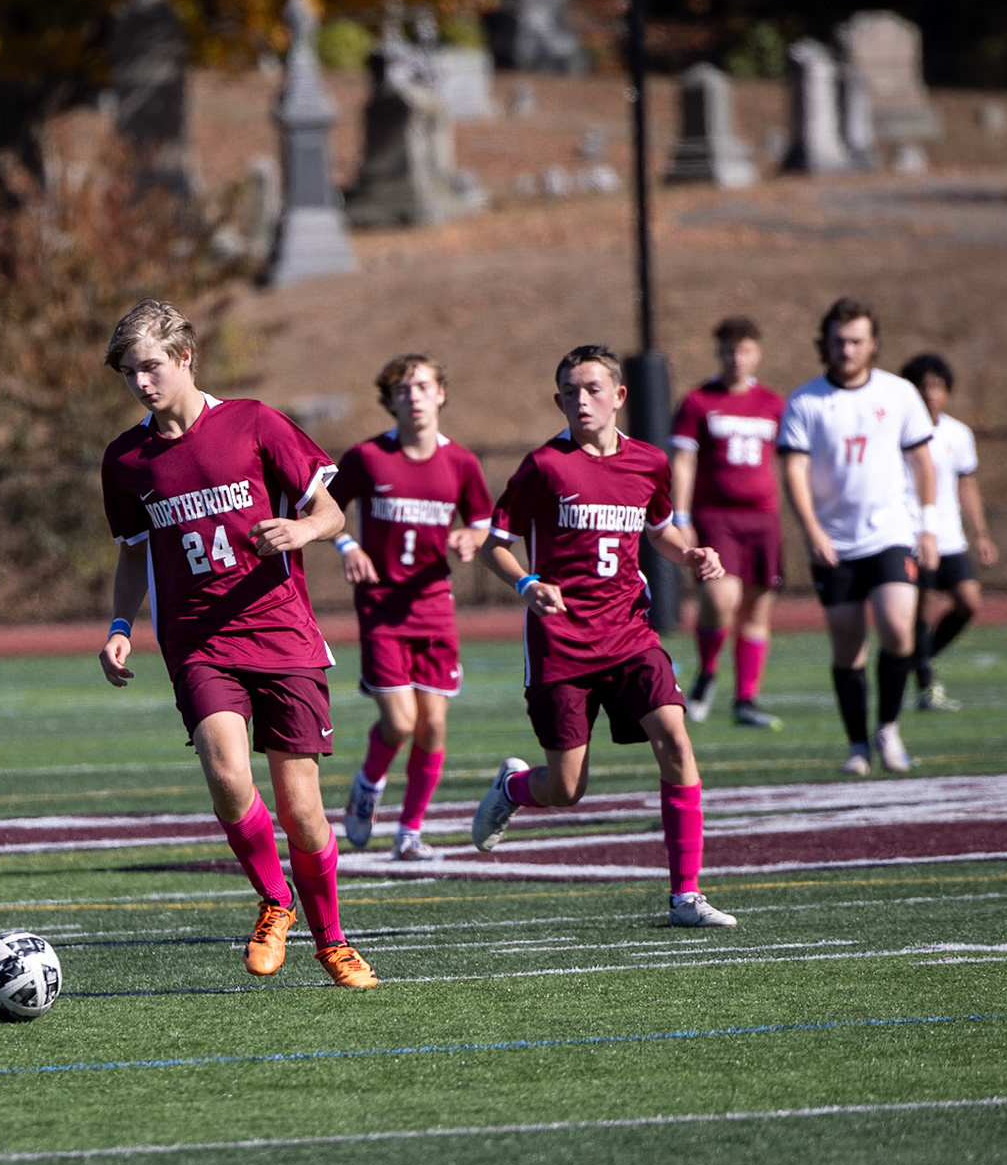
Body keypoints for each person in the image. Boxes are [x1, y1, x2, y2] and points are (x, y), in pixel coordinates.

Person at [97, 299, 378, 987]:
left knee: (301, 808)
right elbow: (134, 551)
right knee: (226, 774)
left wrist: (305, 531)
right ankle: (274, 900)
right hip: (198, 641)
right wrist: (118, 626)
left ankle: (332, 939)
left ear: (186, 357)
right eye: (130, 371)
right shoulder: (126, 459)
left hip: (283, 635)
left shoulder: (254, 422)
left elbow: (331, 505)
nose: (141, 382)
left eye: (152, 366)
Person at [470, 345, 737, 928]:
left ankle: (685, 897)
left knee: (675, 738)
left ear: (619, 396)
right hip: (560, 644)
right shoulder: (545, 466)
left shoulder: (648, 463)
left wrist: (690, 554)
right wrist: (527, 585)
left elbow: (662, 531)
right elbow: (495, 546)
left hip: (629, 633)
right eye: (570, 391)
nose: (581, 400)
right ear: (558, 400)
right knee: (567, 789)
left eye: (592, 389)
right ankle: (515, 787)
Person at [331, 354, 492, 861]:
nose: (415, 397)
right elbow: (323, 511)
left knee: (434, 724)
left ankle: (410, 831)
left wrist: (470, 535)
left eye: (423, 386)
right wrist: (347, 546)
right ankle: (366, 786)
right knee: (400, 723)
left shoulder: (461, 462)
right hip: (381, 607)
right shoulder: (367, 457)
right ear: (390, 401)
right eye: (403, 389)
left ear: (441, 393)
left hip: (433, 606)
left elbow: (483, 519)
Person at [777, 298, 938, 776]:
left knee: (897, 627)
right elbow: (794, 470)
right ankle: (856, 745)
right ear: (824, 344)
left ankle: (887, 727)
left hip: (890, 533)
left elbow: (922, 462)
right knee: (847, 644)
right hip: (834, 543)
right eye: (838, 341)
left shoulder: (899, 393)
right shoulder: (806, 401)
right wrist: (812, 530)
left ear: (873, 344)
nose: (847, 349)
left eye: (856, 341)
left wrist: (927, 525)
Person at [668, 315, 785, 730]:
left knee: (756, 609)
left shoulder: (773, 403)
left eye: (745, 350)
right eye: (729, 350)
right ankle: (708, 672)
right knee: (720, 599)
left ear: (757, 354)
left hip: (763, 518)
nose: (736, 358)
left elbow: (791, 463)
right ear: (718, 353)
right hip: (716, 517)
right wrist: (681, 517)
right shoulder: (698, 401)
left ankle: (746, 699)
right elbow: (683, 461)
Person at [899, 353, 998, 712]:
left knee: (969, 601)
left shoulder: (958, 433)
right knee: (923, 608)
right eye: (922, 386)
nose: (930, 394)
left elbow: (966, 485)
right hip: (912, 534)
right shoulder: (898, 432)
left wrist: (981, 533)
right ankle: (926, 685)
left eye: (937, 386)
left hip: (950, 537)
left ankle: (914, 660)